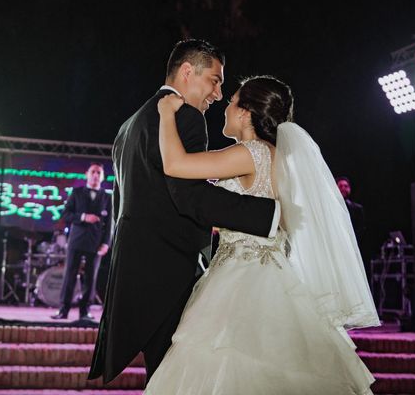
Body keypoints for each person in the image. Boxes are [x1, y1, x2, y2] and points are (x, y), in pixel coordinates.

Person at [144, 76, 379, 394]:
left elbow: (175, 164)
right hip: (271, 274)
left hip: (243, 280)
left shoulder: (250, 153)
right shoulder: (278, 156)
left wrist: (166, 113)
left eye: (231, 102)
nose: (225, 107)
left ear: (245, 112)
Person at [88, 40, 279, 383]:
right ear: (188, 71)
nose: (218, 94)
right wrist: (269, 215)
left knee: (167, 379)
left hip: (136, 276)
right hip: (169, 275)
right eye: (215, 80)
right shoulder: (184, 117)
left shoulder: (129, 125)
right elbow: (190, 198)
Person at [52, 162, 111, 321]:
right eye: (93, 172)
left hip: (96, 243)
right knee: (69, 275)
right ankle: (63, 310)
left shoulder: (107, 197)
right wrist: (83, 217)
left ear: (103, 176)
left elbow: (110, 223)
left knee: (90, 279)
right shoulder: (77, 192)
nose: (96, 175)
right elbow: (66, 215)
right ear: (87, 174)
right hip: (76, 241)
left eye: (99, 172)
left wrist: (106, 243)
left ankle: (85, 312)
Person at [336, 176, 369, 273]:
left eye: (346, 186)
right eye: (340, 186)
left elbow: (362, 228)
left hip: (354, 247)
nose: (343, 189)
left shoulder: (358, 209)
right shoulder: (330, 208)